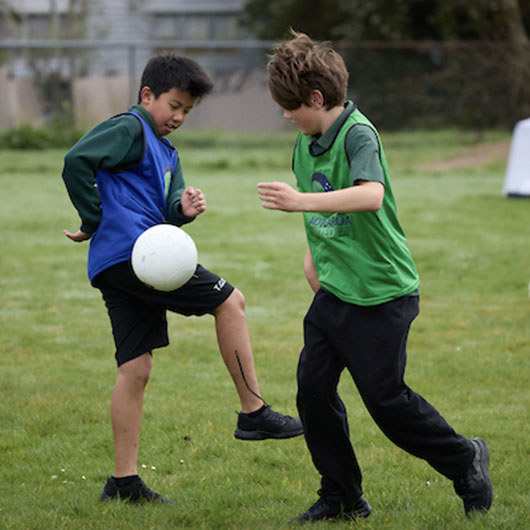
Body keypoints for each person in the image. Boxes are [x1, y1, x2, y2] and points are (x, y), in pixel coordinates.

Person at [258, 31, 493, 524]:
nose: (285, 115)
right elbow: (322, 202)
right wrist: (311, 254)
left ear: (317, 99)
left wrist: (298, 203)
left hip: (382, 295)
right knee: (312, 392)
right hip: (335, 293)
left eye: (290, 106)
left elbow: (369, 196)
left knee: (388, 404)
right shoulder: (306, 143)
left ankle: (465, 459)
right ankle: (343, 495)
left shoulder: (358, 133)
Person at [62, 53, 303, 504]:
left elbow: (163, 209)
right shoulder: (130, 127)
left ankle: (123, 483)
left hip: (123, 264)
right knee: (230, 302)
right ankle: (253, 411)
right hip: (133, 255)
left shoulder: (167, 151)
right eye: (173, 105)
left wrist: (182, 211)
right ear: (146, 95)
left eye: (188, 111)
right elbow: (77, 160)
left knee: (135, 367)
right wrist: (92, 219)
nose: (179, 117)